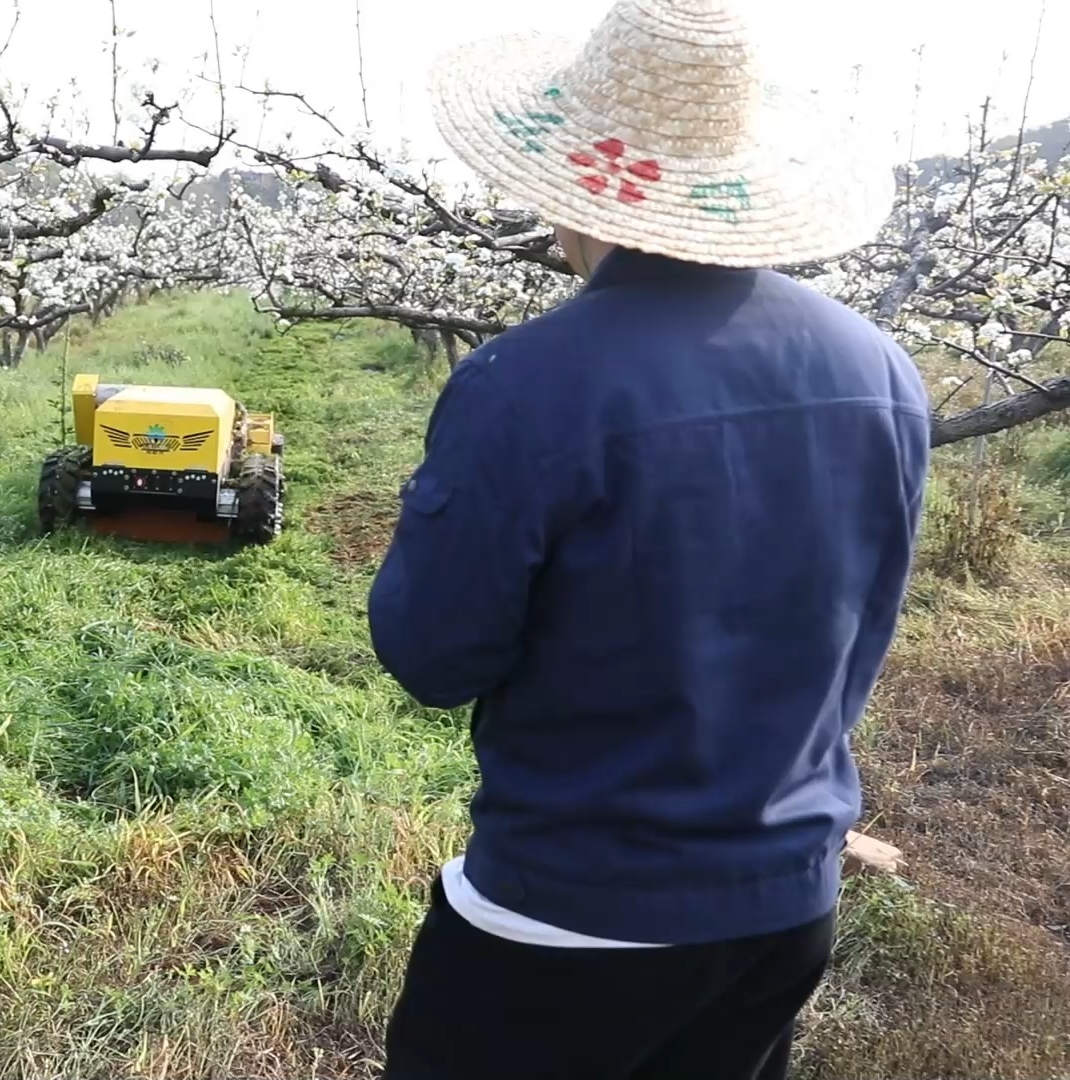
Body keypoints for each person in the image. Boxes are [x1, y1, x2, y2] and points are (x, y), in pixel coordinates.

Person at [367, 1, 932, 1078]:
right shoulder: (881, 371)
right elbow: (859, 617)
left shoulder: (525, 384)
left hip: (571, 915)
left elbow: (432, 656)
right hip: (783, 906)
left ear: (563, 177)